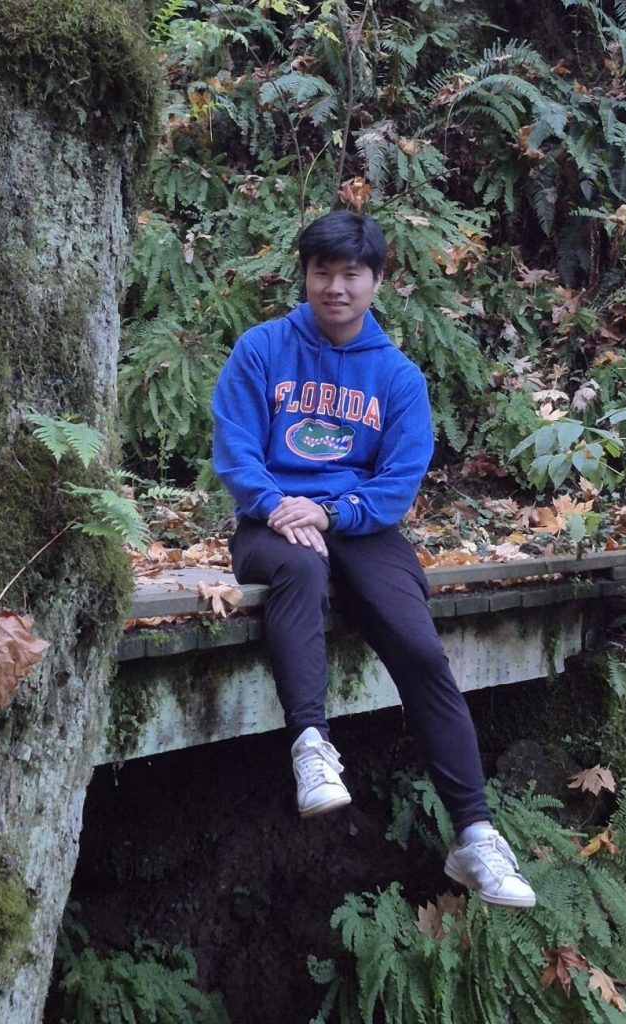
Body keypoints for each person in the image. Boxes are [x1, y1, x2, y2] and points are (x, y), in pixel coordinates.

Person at [211, 210, 536, 908]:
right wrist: (277, 507)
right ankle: (311, 749)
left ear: (377, 281)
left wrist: (330, 512)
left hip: (360, 525)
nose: (335, 287)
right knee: (300, 567)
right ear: (305, 275)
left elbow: (396, 484)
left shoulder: (397, 378)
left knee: (417, 645)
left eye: (350, 273)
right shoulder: (262, 349)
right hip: (271, 523)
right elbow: (236, 449)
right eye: (322, 271)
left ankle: (475, 836)